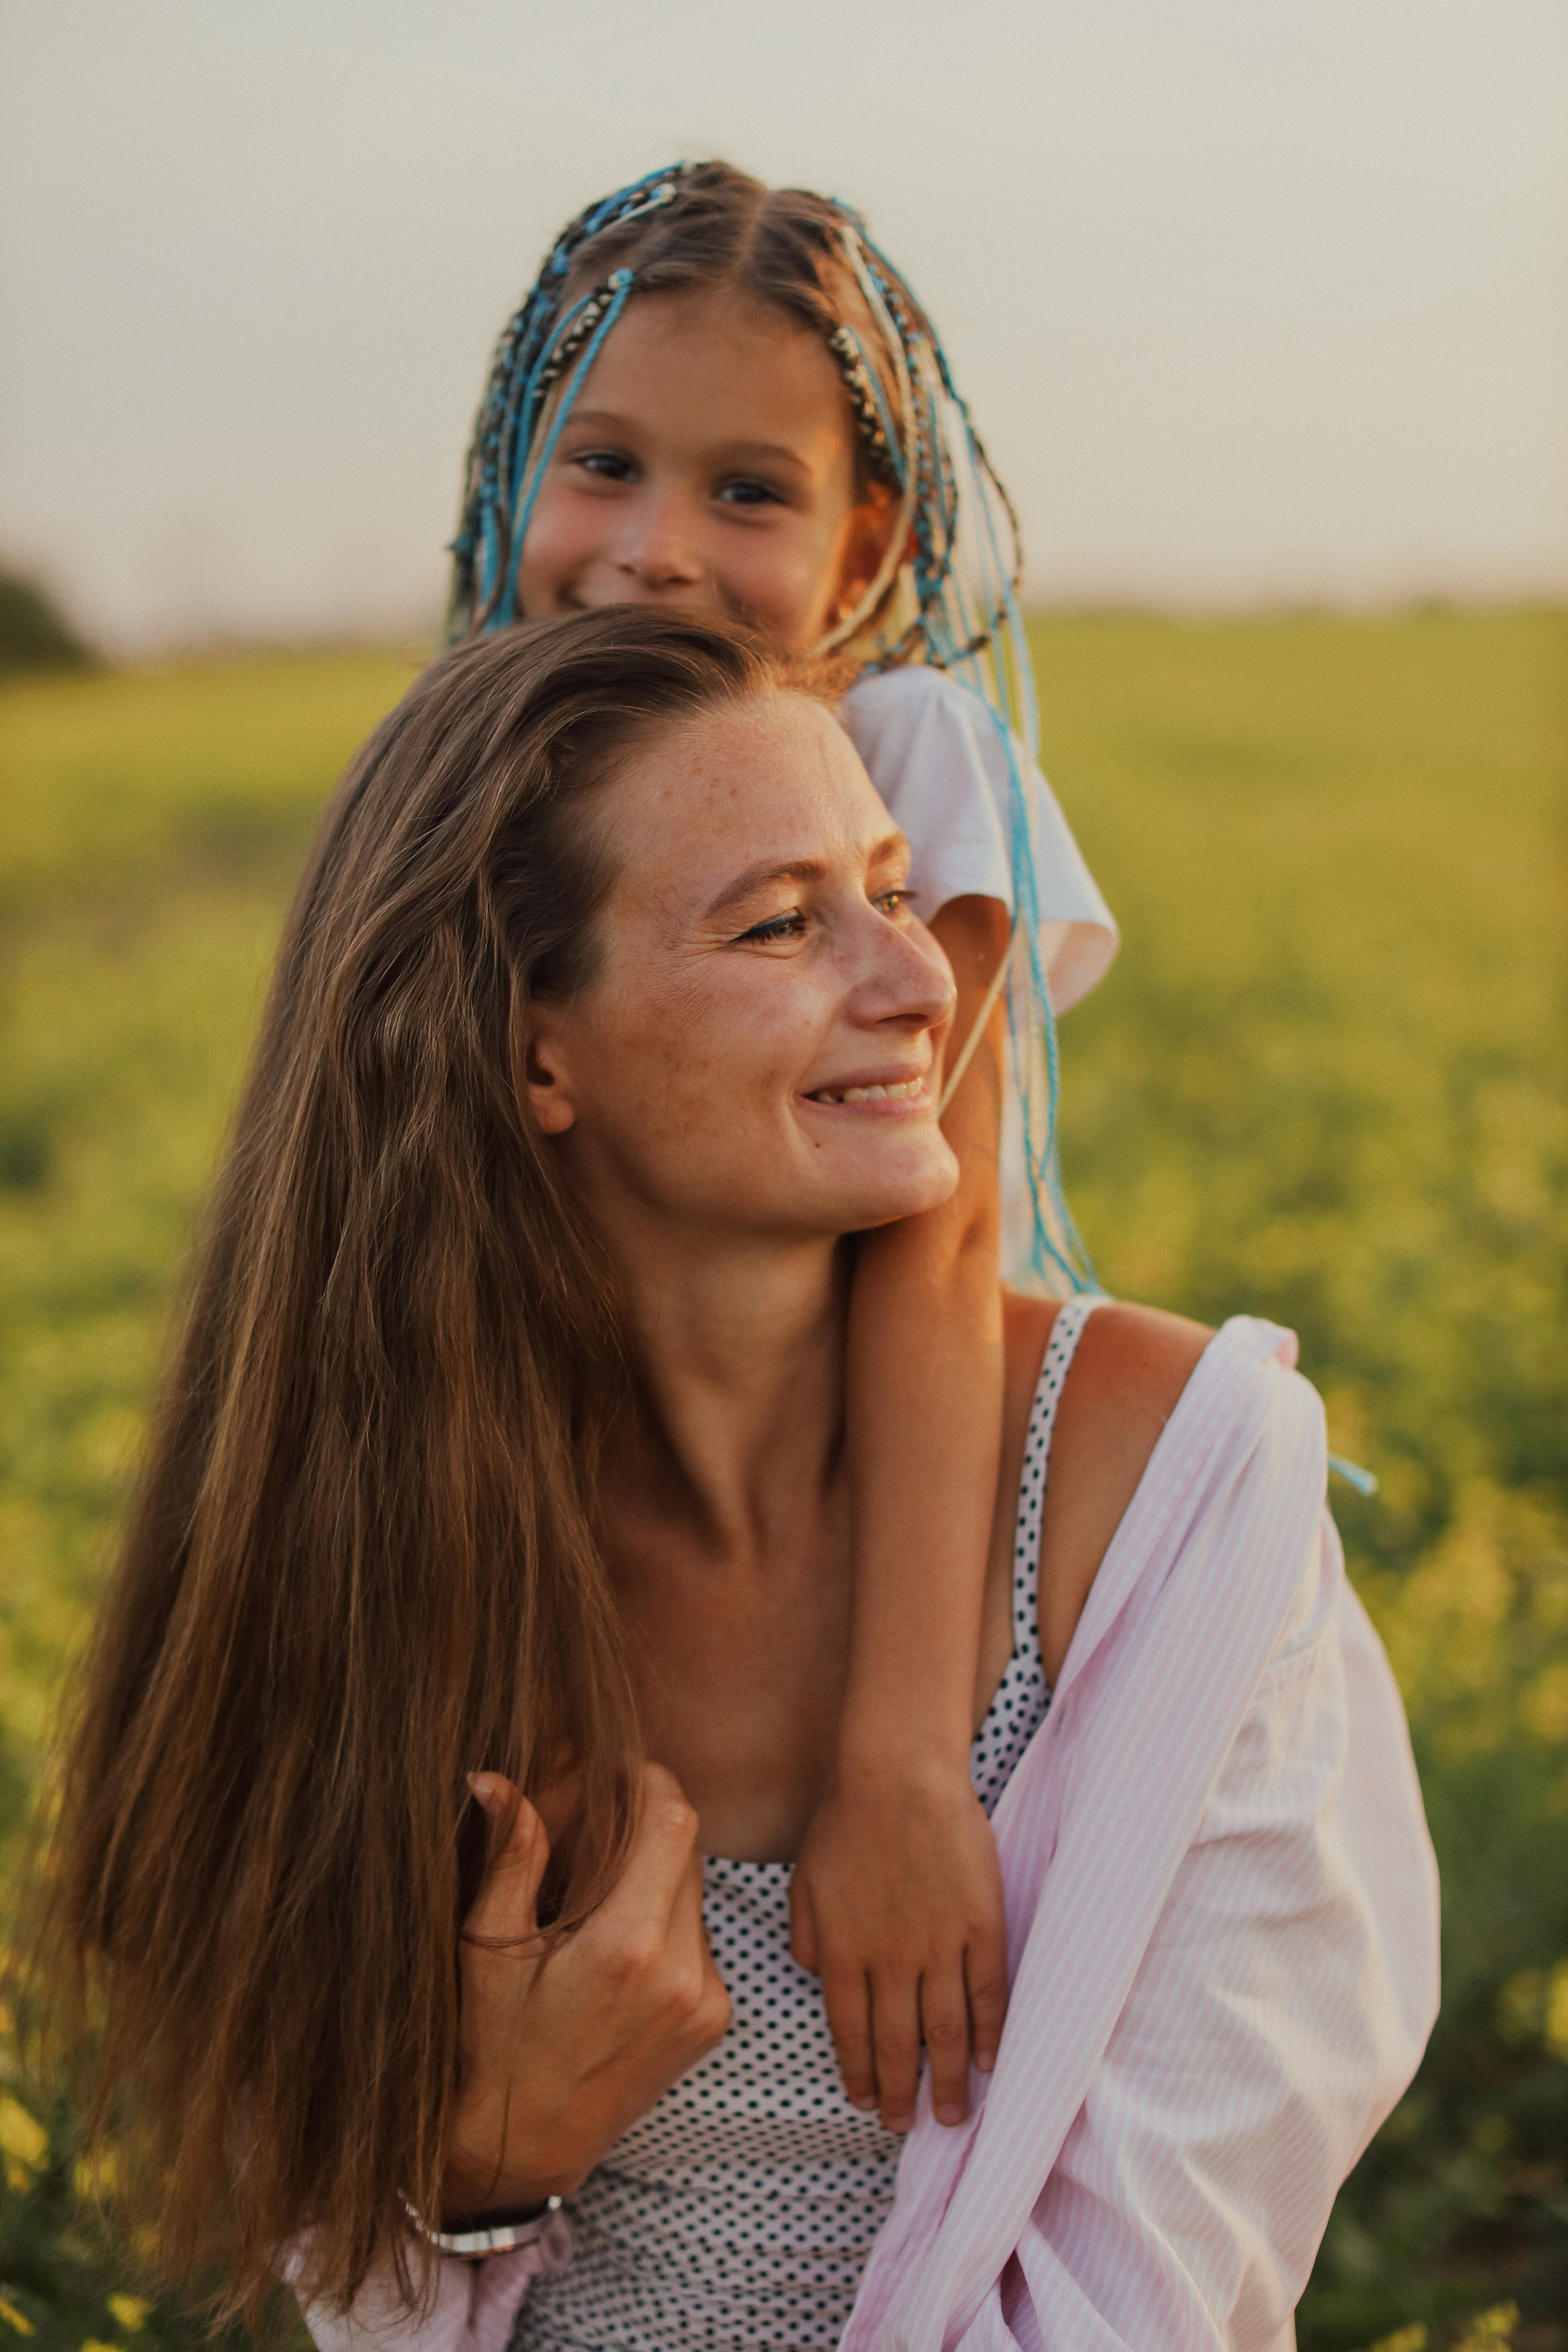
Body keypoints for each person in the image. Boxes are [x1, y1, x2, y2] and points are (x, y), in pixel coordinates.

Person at [31, 609, 1439, 2350]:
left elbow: (1161, 2292)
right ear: (534, 1049)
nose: (919, 982)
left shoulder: (1171, 1487)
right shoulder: (371, 1541)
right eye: (781, 922)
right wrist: (484, 2167)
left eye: (895, 891)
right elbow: (337, 2249)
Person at [446, 160, 1119, 2130]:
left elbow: (940, 1245)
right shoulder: (467, 774)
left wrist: (898, 1759)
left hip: (889, 1540)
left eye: (749, 491)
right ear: (515, 471)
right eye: (604, 465)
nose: (657, 550)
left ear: (860, 545)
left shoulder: (899, 755)